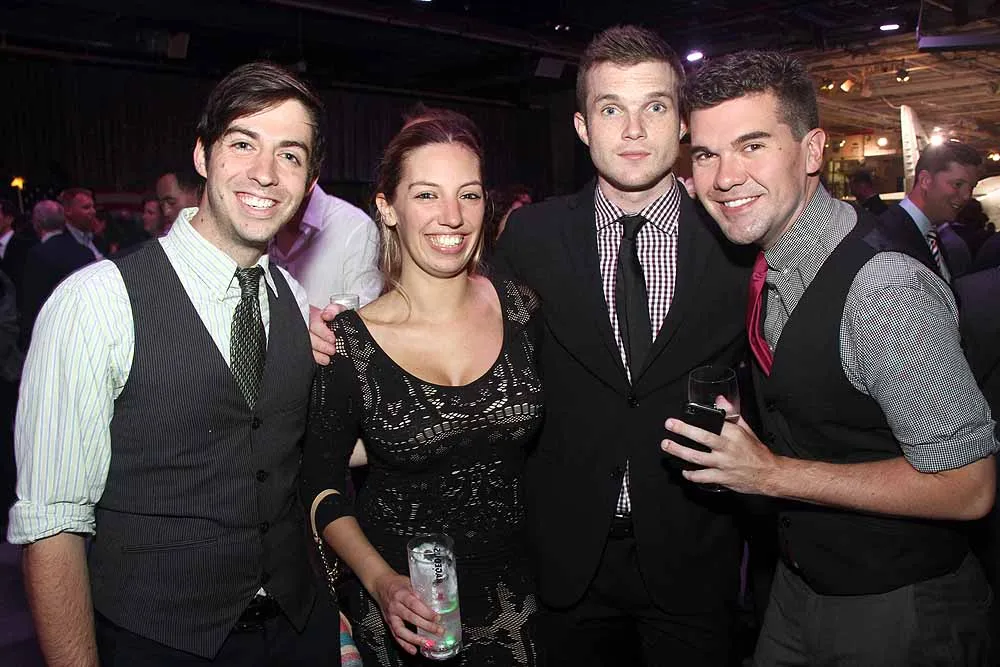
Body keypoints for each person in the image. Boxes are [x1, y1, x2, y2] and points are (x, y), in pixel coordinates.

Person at [310, 25, 755, 665]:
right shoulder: (533, 240)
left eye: (655, 107)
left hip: (692, 563)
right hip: (558, 571)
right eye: (611, 109)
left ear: (682, 122)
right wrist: (340, 342)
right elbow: (457, 348)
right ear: (581, 126)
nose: (633, 130)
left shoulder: (735, 242)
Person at [667, 49, 997, 665]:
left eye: (752, 145)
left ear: (812, 151)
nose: (724, 177)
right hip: (799, 585)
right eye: (706, 154)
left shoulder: (883, 287)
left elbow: (968, 485)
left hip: (901, 606)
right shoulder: (770, 264)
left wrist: (770, 474)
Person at [7, 61, 341, 666]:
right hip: (158, 641)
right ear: (202, 154)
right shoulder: (96, 303)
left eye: (290, 155)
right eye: (244, 144)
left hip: (297, 630)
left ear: (309, 180)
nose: (266, 173)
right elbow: (52, 526)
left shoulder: (293, 298)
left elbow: (283, 453)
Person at [301, 109, 543, 666]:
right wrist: (380, 582)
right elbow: (320, 485)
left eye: (469, 195)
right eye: (427, 195)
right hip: (406, 613)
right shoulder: (349, 343)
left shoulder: (521, 308)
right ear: (388, 208)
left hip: (518, 607)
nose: (452, 216)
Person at [879, 141, 982, 282]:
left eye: (971, 187)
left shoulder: (931, 235)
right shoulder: (887, 237)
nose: (967, 196)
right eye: (957, 184)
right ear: (925, 180)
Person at [269, 183, 381, 308]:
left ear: (313, 179)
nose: (266, 178)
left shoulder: (355, 227)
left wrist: (307, 315)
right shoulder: (259, 220)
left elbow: (364, 312)